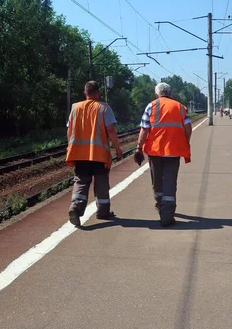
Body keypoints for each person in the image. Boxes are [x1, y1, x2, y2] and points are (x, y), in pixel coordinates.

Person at [66, 80, 123, 227]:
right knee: (101, 183)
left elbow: (69, 130)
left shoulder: (75, 108)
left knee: (81, 181)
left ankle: (75, 208)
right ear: (98, 92)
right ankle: (103, 212)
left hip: (79, 154)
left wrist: (70, 147)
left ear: (85, 93)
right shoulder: (104, 108)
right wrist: (117, 148)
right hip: (99, 154)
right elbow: (110, 130)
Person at [134, 82, 191, 227]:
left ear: (156, 94)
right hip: (173, 150)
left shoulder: (151, 106)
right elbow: (188, 127)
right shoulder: (179, 107)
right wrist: (186, 142)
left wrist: (139, 148)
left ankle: (160, 205)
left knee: (157, 180)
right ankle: (167, 214)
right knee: (170, 181)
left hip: (155, 150)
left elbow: (144, 129)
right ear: (170, 93)